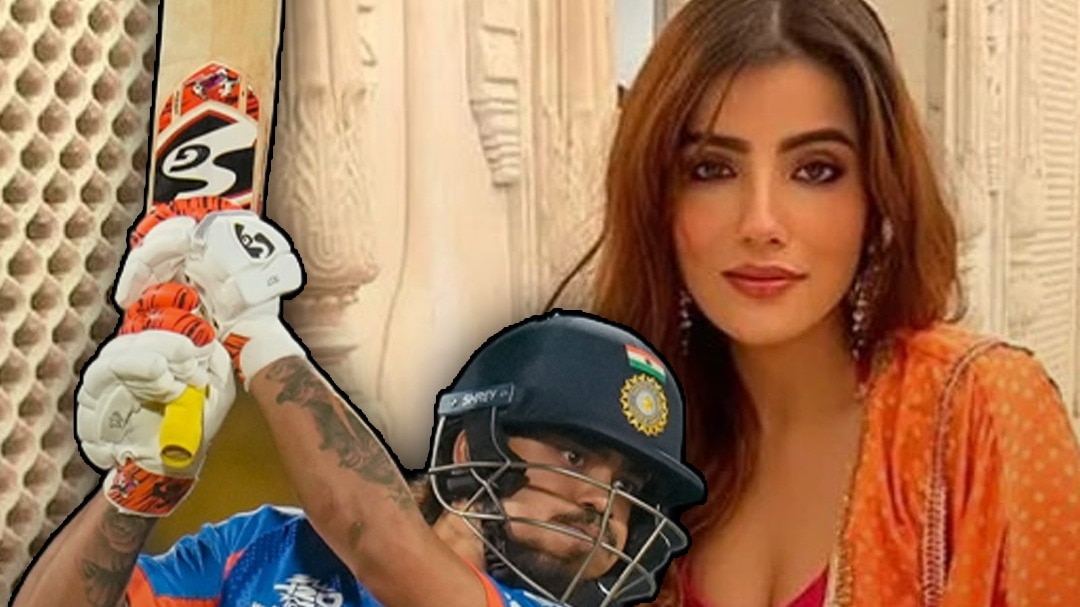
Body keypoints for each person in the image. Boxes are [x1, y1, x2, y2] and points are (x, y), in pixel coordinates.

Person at [549, 0, 1080, 605]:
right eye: (712, 169)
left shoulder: (981, 413)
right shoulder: (629, 443)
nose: (761, 223)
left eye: (816, 170)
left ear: (877, 193)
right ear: (656, 199)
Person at [12, 209, 703, 607]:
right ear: (473, 449)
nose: (602, 503)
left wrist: (255, 330)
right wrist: (139, 483)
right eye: (576, 456)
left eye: (629, 487)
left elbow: (378, 542)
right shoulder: (265, 547)